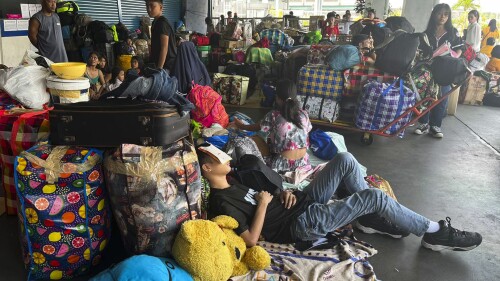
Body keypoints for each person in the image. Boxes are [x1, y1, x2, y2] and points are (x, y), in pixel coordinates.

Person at [198, 143, 482, 251]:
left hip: (301, 203)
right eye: (216, 156)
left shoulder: (234, 179)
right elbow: (250, 239)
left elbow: (269, 190)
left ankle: (370, 218)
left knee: (345, 159)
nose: (224, 156)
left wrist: (281, 192)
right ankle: (434, 232)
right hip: (301, 225)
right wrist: (262, 205)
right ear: (207, 168)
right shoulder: (221, 202)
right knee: (374, 196)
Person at [231, 80, 312, 174]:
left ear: (277, 97)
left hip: (282, 166)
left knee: (255, 138)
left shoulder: (274, 115)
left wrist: (241, 125)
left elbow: (256, 127)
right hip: (303, 162)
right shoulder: (304, 114)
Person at [415, 3, 462, 139]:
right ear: (434, 14)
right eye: (440, 13)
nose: (442, 17)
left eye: (446, 14)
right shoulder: (427, 33)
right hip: (428, 69)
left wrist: (454, 56)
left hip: (446, 69)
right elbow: (421, 51)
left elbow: (460, 49)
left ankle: (435, 126)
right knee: (425, 96)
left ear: (449, 17)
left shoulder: (453, 32)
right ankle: (423, 123)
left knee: (442, 96)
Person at [146, 0, 177, 71]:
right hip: (159, 62)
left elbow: (164, 48)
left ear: (161, 7)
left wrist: (159, 69)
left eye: (152, 6)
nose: (149, 9)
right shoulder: (155, 22)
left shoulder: (162, 23)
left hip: (167, 65)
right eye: (147, 6)